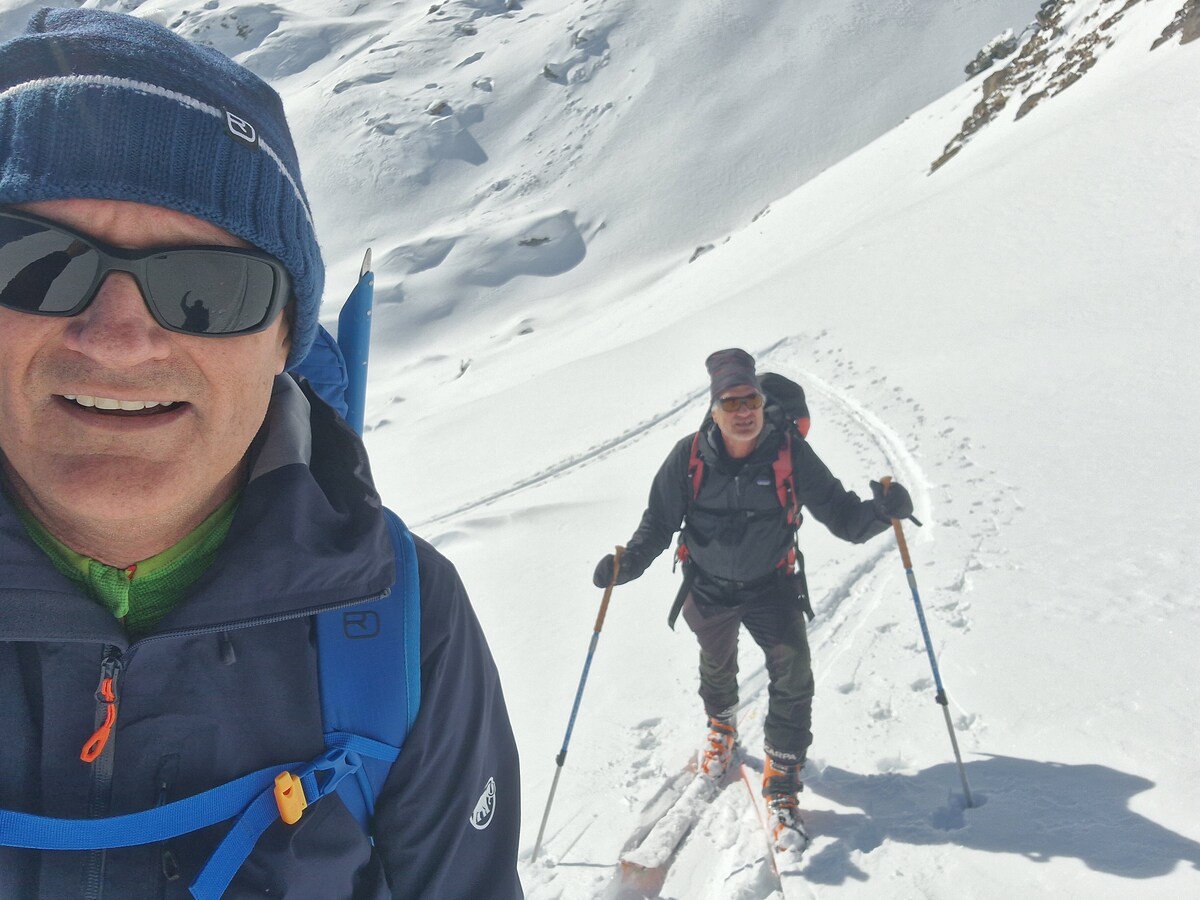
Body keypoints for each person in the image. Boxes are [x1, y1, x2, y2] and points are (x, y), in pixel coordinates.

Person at [0, 8, 521, 899]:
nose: (118, 339)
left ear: (285, 341)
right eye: (36, 263)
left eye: (208, 289)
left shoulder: (399, 623)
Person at [593, 348, 913, 849]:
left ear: (762, 403)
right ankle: (721, 727)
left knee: (794, 675)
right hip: (708, 585)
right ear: (714, 409)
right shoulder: (688, 457)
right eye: (731, 402)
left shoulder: (790, 453)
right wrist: (628, 564)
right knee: (716, 664)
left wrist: (881, 512)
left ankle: (782, 782)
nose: (743, 411)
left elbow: (844, 519)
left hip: (772, 585)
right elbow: (658, 523)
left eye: (751, 400)